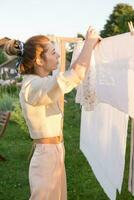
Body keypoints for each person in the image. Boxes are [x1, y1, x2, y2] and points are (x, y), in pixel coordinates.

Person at [5, 26, 101, 200]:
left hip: (54, 151)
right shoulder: (32, 87)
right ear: (39, 61)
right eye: (53, 52)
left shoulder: (39, 82)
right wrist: (89, 44)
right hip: (46, 157)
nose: (57, 56)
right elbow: (75, 74)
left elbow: (57, 84)